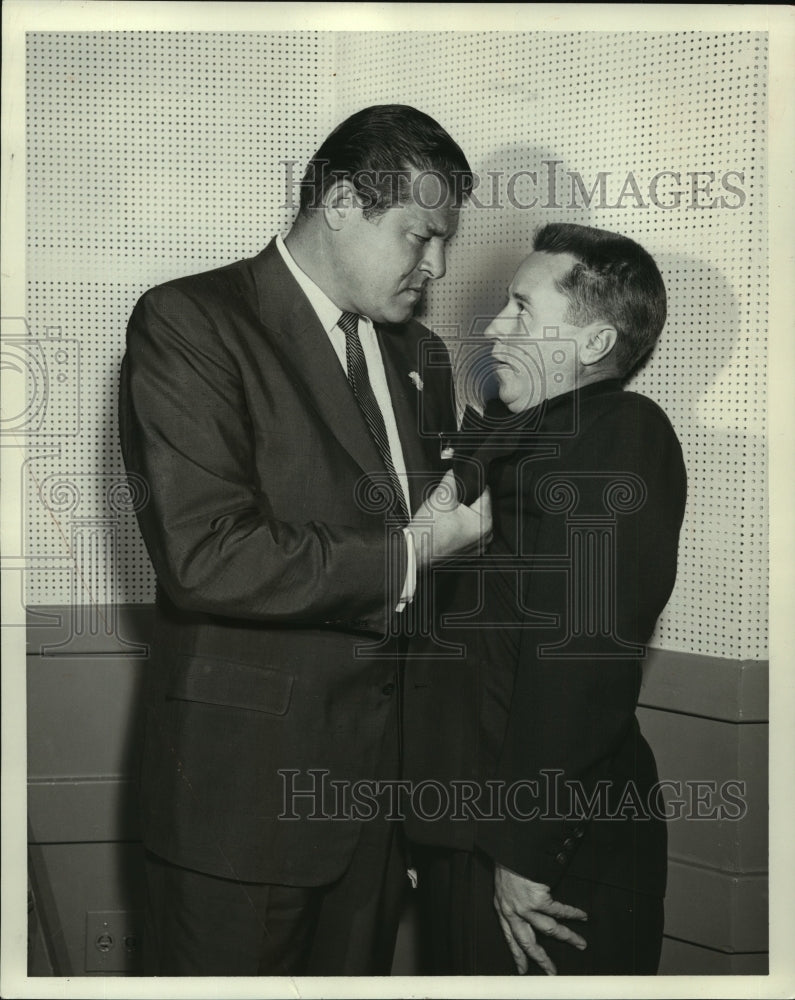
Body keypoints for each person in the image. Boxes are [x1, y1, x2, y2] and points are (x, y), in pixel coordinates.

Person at [118, 104, 490, 976]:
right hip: (239, 818)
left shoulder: (423, 359)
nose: (433, 266)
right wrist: (411, 552)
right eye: (418, 235)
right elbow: (207, 556)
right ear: (339, 203)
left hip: (374, 823)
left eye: (444, 242)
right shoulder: (190, 324)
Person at [403, 222, 687, 976]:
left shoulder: (621, 431)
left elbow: (584, 659)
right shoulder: (524, 434)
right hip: (468, 832)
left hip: (540, 853)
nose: (494, 326)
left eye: (521, 308)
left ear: (592, 344)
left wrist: (522, 852)